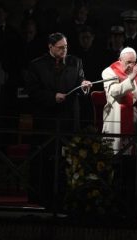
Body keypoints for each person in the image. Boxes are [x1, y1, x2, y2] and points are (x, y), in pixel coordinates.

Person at [25, 32, 92, 208]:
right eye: (60, 48)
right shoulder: (36, 65)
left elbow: (80, 82)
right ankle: (42, 197)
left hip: (69, 120)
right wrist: (52, 97)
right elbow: (33, 92)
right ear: (50, 47)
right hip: (47, 120)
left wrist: (84, 85)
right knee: (45, 160)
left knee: (68, 161)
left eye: (66, 47)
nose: (64, 51)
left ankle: (67, 197)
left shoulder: (75, 62)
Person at [101, 47, 137, 154]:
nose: (131, 66)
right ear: (120, 60)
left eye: (133, 62)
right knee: (120, 157)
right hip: (118, 122)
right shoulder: (109, 71)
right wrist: (131, 77)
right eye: (128, 62)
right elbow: (114, 92)